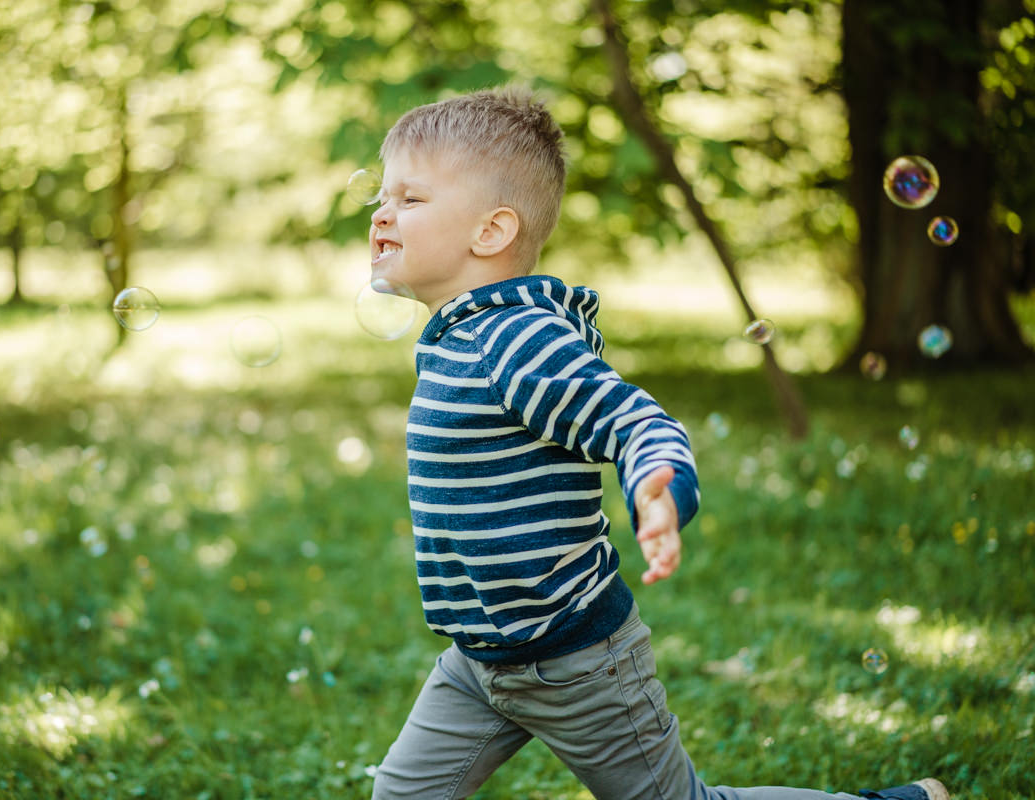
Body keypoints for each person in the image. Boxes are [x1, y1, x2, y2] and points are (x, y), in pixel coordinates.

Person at [365, 86, 950, 800]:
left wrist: (660, 484)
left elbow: (637, 422)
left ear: (490, 233)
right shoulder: (463, 334)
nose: (383, 213)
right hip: (478, 660)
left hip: (573, 659)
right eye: (381, 198)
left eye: (410, 199)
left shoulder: (517, 339)